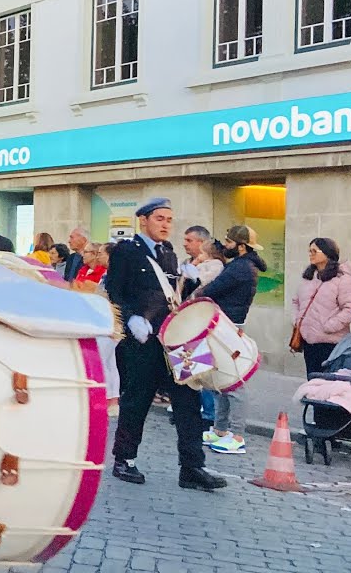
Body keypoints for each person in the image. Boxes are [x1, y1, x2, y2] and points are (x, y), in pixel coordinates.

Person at [109, 197, 226, 491]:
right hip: (144, 341)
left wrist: (188, 282)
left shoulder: (170, 253)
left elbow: (172, 297)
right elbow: (114, 292)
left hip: (176, 340)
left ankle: (192, 467)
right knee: (137, 401)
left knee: (189, 401)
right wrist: (131, 319)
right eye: (159, 218)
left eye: (169, 220)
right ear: (144, 220)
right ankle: (124, 459)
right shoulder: (127, 251)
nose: (165, 225)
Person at [194, 225, 266, 455]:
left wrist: (196, 291)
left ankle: (237, 435)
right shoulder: (241, 266)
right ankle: (220, 429)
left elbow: (210, 290)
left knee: (233, 381)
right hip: (226, 325)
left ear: (241, 246)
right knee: (221, 381)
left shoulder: (240, 268)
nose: (224, 246)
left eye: (228, 242)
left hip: (228, 327)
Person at [292, 238, 351, 377]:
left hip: (331, 342)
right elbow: (296, 301)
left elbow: (350, 308)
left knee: (328, 383)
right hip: (309, 341)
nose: (311, 254)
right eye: (309, 251)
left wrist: (329, 326)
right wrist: (298, 321)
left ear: (328, 253)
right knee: (312, 381)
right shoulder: (308, 277)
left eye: (314, 251)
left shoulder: (343, 279)